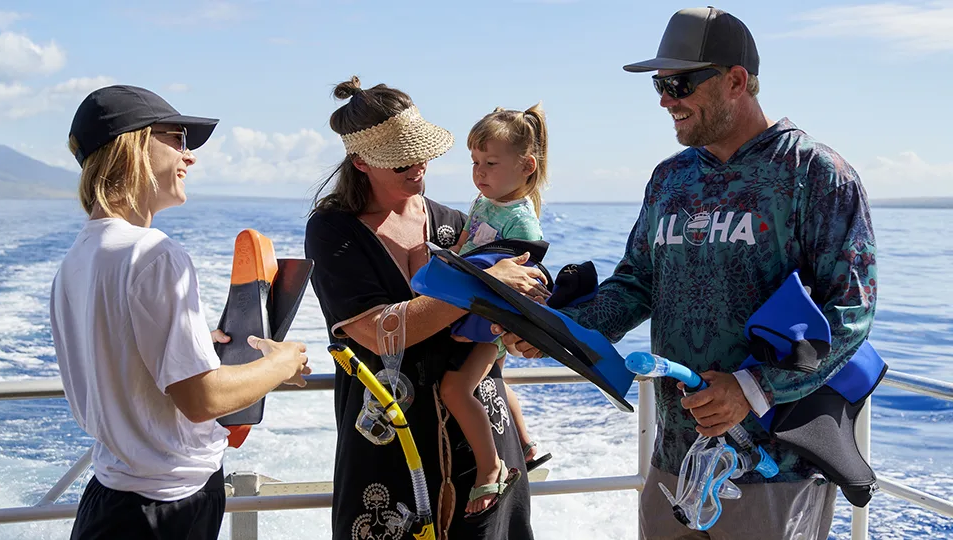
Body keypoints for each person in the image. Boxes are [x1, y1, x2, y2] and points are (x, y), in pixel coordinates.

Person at [501, 7, 877, 539]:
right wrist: (557, 332)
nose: (664, 99)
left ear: (736, 81)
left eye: (678, 83)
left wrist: (752, 388)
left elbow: (851, 312)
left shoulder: (815, 174)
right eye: (659, 83)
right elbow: (636, 284)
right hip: (674, 460)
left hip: (772, 468)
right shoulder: (668, 179)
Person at [51, 85, 311, 540]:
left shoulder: (77, 258)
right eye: (177, 139)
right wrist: (281, 362)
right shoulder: (154, 254)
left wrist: (190, 348)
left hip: (109, 496)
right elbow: (202, 401)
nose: (189, 157)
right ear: (131, 146)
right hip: (167, 507)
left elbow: (121, 356)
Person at [305, 76, 542, 539]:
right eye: (401, 163)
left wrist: (524, 326)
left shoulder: (458, 225)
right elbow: (377, 333)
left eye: (421, 155)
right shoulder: (333, 231)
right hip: (390, 447)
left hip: (485, 445)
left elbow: (516, 306)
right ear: (361, 162)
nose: (418, 167)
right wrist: (481, 287)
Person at [441, 104, 552, 516]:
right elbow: (467, 244)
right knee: (494, 380)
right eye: (474, 162)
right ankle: (525, 444)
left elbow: (526, 284)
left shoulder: (523, 225)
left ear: (526, 166)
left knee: (456, 389)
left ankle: (491, 467)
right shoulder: (483, 203)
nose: (479, 172)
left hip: (493, 320)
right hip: (473, 308)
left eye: (490, 162)